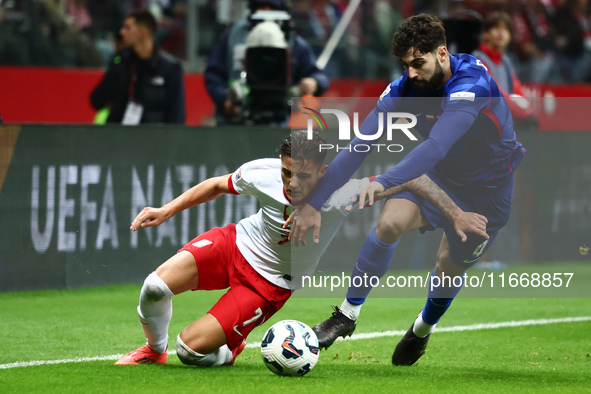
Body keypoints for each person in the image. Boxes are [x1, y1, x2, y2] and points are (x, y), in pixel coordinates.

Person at [114, 129, 486, 366]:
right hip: (235, 243)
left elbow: (414, 178)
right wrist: (166, 210)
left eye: (303, 175)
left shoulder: (343, 193)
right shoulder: (262, 172)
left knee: (191, 352)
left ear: (324, 172)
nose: (291, 183)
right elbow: (216, 185)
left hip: (269, 283)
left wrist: (455, 215)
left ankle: (231, 347)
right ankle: (152, 350)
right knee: (154, 287)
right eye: (287, 172)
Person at [290, 13, 526, 366]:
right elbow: (358, 147)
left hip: (488, 191)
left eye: (419, 62)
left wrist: (380, 183)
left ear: (442, 54)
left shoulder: (471, 82)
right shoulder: (402, 90)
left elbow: (435, 148)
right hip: (438, 177)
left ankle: (421, 328)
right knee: (388, 224)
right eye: (406, 65)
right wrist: (315, 203)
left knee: (449, 265)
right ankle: (347, 314)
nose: (412, 73)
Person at [204, 0, 330, 125]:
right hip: (234, 119)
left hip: (277, 120)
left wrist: (313, 82)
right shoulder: (233, 36)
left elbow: (319, 75)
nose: (266, 12)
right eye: (261, 7)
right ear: (253, 8)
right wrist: (225, 100)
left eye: (271, 8)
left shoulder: (293, 41)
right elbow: (213, 74)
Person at [90, 9, 185, 125]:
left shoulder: (169, 68)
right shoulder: (121, 62)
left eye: (127, 28)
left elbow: (177, 115)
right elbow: (97, 100)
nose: (122, 32)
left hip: (154, 138)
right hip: (120, 137)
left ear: (143, 31)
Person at [472, 11, 536, 124]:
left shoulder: (506, 61)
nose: (501, 32)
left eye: (506, 29)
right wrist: (524, 110)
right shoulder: (478, 60)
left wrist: (530, 110)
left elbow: (517, 88)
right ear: (485, 34)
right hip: (484, 121)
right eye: (496, 27)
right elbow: (495, 94)